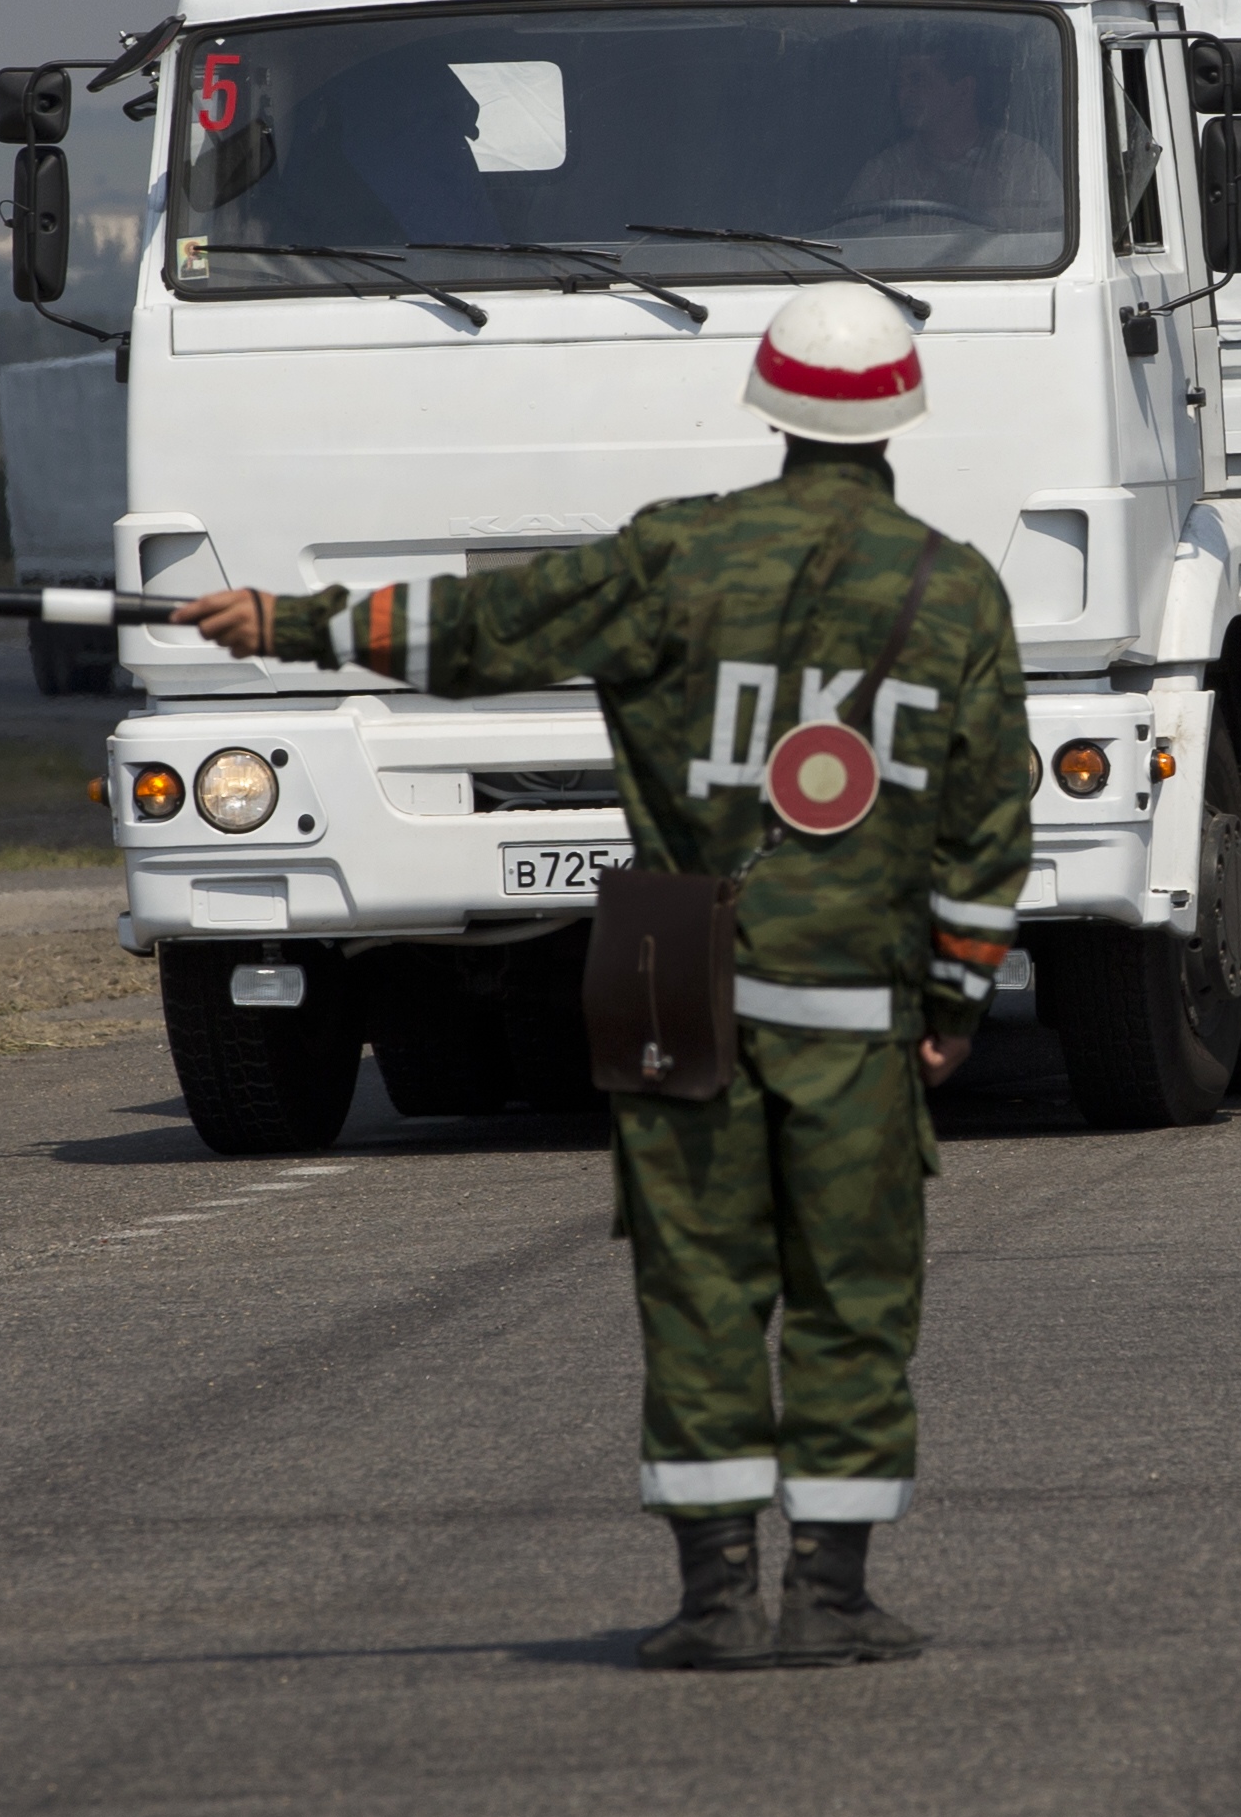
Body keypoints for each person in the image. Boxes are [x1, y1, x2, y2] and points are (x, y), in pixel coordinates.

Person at [180, 279, 1028, 1669]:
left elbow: (477, 633)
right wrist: (952, 994)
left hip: (668, 970)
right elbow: (990, 822)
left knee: (698, 1286)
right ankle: (828, 1594)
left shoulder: (673, 559)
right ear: (897, 422)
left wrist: (285, 619)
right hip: (851, 1005)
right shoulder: (953, 591)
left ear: (766, 405)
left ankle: (710, 1599)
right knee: (851, 1295)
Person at [843, 34, 1065, 236]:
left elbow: (1048, 242)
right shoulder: (886, 170)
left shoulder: (1020, 160)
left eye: (918, 80)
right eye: (900, 83)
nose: (903, 94)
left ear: (964, 89)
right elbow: (852, 246)